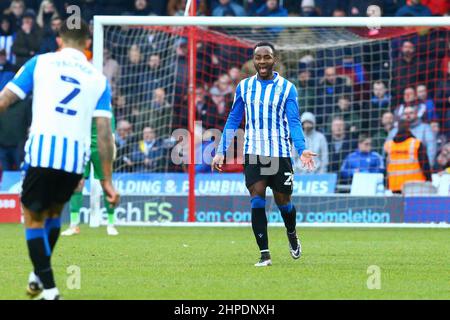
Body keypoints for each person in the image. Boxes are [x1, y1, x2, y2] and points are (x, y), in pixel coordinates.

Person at [0, 20, 119, 300]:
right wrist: (107, 180)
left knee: (32, 219)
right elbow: (104, 134)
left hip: (43, 153)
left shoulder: (40, 63)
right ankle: (36, 276)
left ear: (59, 41)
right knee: (53, 215)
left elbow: (5, 99)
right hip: (74, 160)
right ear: (88, 44)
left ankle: (51, 292)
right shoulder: (97, 79)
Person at [211, 42, 317, 267]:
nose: (261, 62)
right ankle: (265, 255)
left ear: (274, 59)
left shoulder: (287, 88)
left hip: (279, 154)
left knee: (283, 203)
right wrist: (221, 150)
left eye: (266, 57)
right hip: (253, 153)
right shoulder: (244, 87)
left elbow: (294, 122)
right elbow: (233, 119)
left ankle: (291, 232)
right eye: (257, 57)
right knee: (257, 199)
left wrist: (301, 149)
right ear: (253, 60)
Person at [384, 120, 431, 193]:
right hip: (415, 186)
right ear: (409, 128)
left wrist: (386, 184)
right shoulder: (416, 144)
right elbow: (425, 165)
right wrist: (429, 180)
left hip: (395, 187)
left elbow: (386, 167)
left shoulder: (389, 146)